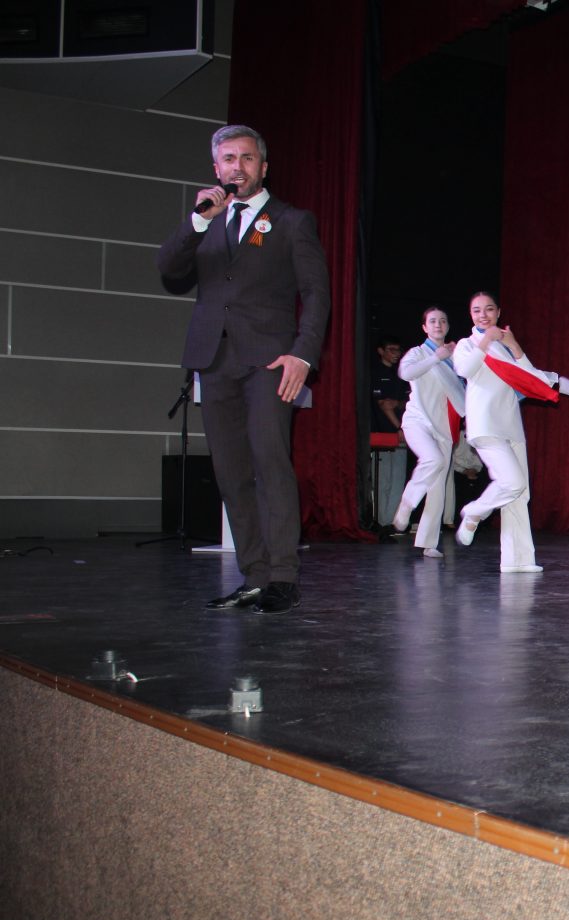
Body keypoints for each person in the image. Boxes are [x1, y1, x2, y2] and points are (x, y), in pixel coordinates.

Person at [157, 124, 330, 615]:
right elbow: (168, 268)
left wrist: (302, 354)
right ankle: (254, 575)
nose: (238, 166)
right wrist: (196, 221)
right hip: (214, 361)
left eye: (248, 158)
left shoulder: (291, 221)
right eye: (229, 159)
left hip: (270, 360)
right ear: (217, 168)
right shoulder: (207, 222)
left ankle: (283, 577)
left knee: (269, 462)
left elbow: (316, 293)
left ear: (263, 167)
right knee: (230, 473)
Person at [451, 291, 562, 573]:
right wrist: (486, 340)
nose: (483, 315)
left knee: (519, 494)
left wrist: (513, 344)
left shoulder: (504, 346)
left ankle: (518, 559)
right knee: (512, 482)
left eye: (489, 309)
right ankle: (474, 512)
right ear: (471, 315)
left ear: (498, 312)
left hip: (510, 423)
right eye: (477, 310)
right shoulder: (466, 344)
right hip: (485, 424)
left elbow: (531, 377)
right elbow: (464, 369)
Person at [390, 307, 465, 558]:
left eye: (443, 321)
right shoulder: (418, 352)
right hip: (417, 422)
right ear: (424, 327)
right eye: (432, 321)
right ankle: (408, 502)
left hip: (444, 426)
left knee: (438, 486)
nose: (438, 325)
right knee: (432, 459)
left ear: (448, 326)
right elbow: (405, 373)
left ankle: (428, 542)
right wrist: (436, 358)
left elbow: (466, 388)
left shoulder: (456, 357)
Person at [370, 337, 410, 529]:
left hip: (402, 433)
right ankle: (380, 521)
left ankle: (393, 522)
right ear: (381, 351)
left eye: (398, 350)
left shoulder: (400, 374)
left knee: (398, 480)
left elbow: (405, 402)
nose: (396, 354)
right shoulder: (376, 373)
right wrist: (398, 427)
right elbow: (384, 405)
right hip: (383, 433)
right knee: (383, 480)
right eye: (391, 349)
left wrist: (398, 405)